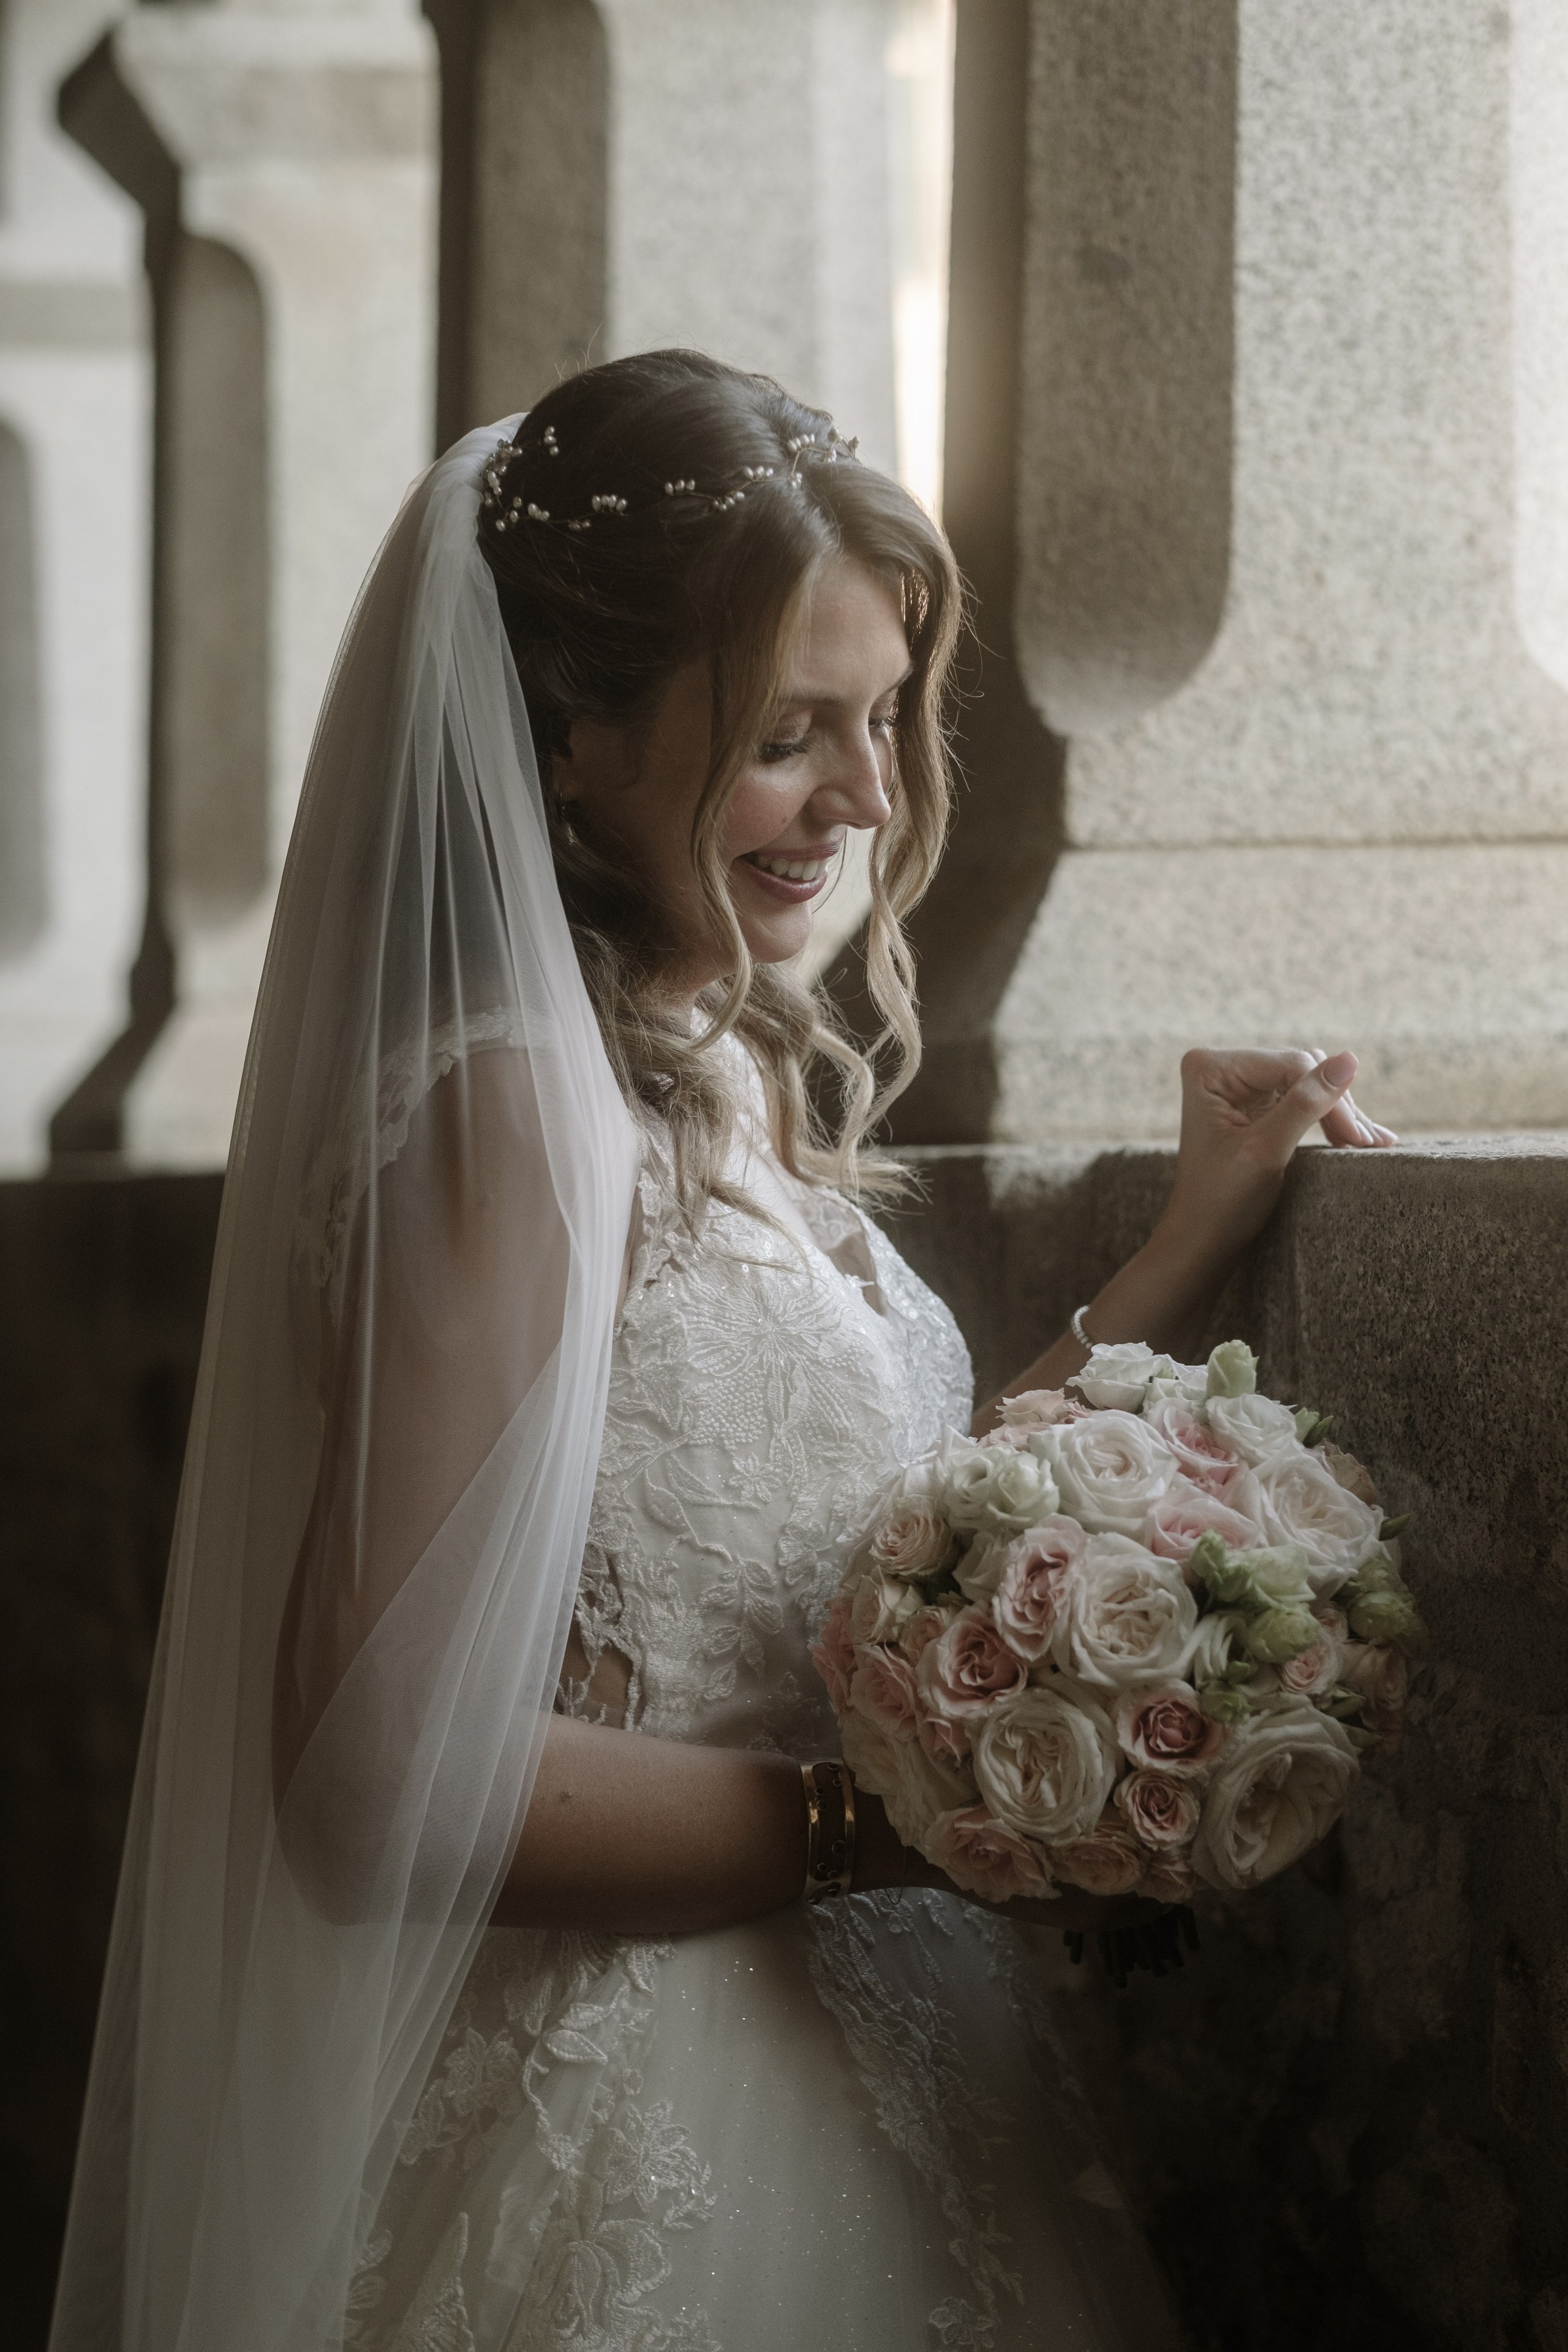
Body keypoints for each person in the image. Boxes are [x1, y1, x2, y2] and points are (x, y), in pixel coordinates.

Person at [50, 350, 1392, 2352]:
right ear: (576, 740)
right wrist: (916, 1826)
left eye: (877, 722)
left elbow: (862, 1555)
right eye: (787, 734)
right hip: (653, 2105)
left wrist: (1187, 1238)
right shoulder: (515, 1112)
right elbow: (373, 1779)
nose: (861, 797)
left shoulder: (709, 1072)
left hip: (879, 2050)